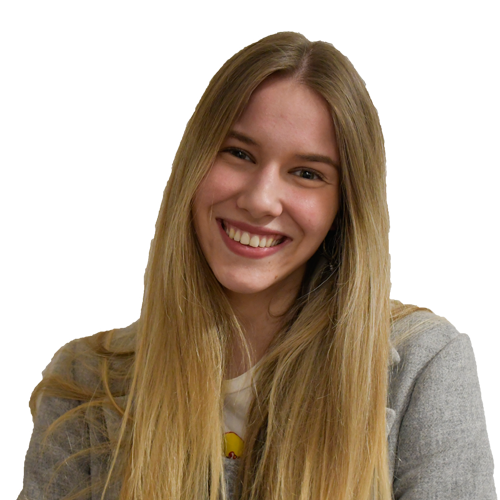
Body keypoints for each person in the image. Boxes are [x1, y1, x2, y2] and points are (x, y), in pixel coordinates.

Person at [18, 31, 497, 500]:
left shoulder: (424, 366)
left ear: (345, 204)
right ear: (194, 164)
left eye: (307, 173)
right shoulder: (84, 380)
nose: (261, 200)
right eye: (239, 153)